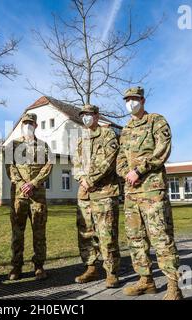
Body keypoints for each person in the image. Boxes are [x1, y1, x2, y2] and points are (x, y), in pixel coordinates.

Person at [117, 86, 183, 300]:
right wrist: (126, 173)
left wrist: (138, 170)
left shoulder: (156, 121)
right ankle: (146, 281)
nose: (130, 103)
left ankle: (174, 286)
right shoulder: (126, 129)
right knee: (135, 239)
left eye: (134, 99)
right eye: (127, 99)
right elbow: (119, 160)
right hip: (131, 193)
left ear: (142, 100)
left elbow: (162, 150)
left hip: (152, 190)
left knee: (161, 237)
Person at [72, 104, 121, 288]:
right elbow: (75, 162)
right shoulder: (81, 139)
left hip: (104, 192)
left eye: (89, 114)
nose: (86, 117)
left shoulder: (108, 135)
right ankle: (90, 267)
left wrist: (90, 180)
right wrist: (81, 178)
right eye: (83, 114)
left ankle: (111, 272)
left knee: (106, 233)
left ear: (97, 115)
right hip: (84, 194)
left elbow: (108, 161)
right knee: (85, 233)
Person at [5, 113, 53, 281]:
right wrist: (22, 185)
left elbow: (48, 167)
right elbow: (10, 168)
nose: (28, 125)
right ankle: (16, 266)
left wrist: (33, 183)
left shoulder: (43, 146)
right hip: (19, 196)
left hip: (37, 196)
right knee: (17, 233)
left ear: (36, 125)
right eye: (25, 123)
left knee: (39, 232)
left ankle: (39, 266)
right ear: (21, 125)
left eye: (31, 123)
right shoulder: (13, 145)